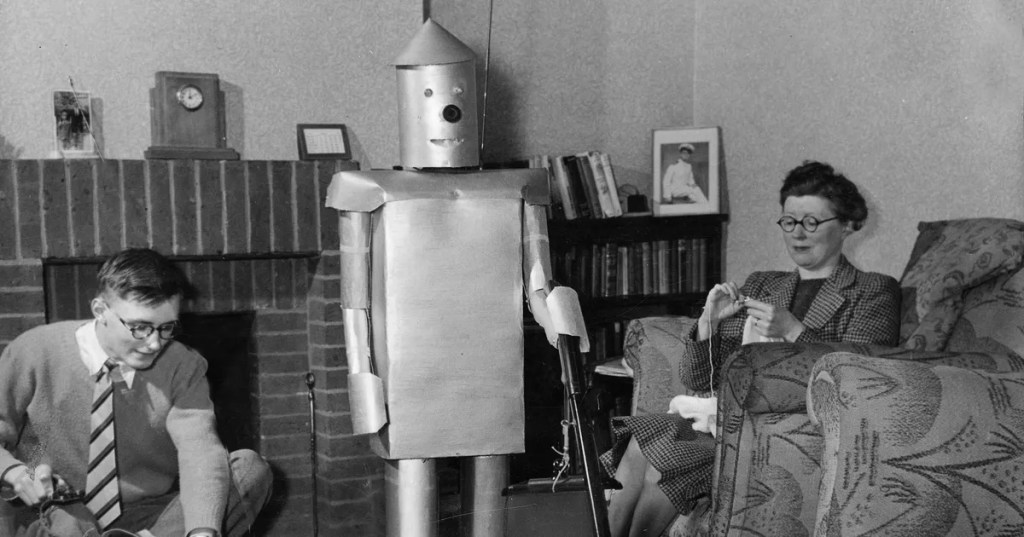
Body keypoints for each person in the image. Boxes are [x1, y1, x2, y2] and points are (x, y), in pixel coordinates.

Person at [602, 160, 901, 537]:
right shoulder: (763, 285)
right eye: (789, 221)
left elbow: (863, 377)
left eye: (811, 222)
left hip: (799, 432)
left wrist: (794, 331)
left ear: (846, 225)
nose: (797, 233)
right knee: (641, 444)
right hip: (730, 423)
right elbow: (699, 379)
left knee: (662, 461)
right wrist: (709, 325)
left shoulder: (874, 291)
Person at [0, 248, 273, 537]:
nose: (154, 343)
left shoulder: (183, 365)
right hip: (59, 505)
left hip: (144, 513)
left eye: (166, 327)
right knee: (66, 526)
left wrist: (202, 531)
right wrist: (14, 472)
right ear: (100, 311)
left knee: (250, 470)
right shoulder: (35, 350)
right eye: (140, 327)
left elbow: (200, 450)